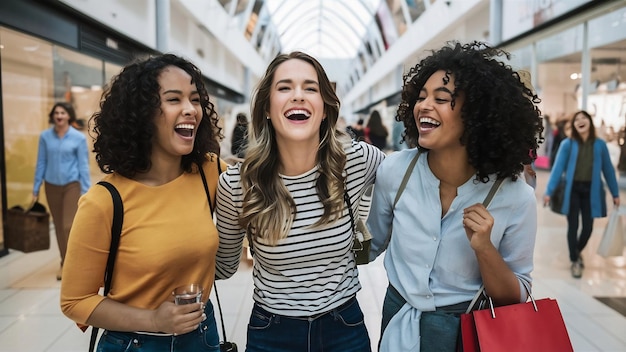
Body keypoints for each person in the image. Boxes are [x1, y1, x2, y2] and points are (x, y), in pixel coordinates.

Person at [366, 41, 543, 351]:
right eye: (421, 97)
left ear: (476, 113)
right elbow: (369, 247)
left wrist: (484, 249)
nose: (424, 106)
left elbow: (516, 295)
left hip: (467, 333)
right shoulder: (396, 171)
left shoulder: (515, 197)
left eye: (441, 98)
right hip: (398, 327)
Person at [215, 51, 385, 352]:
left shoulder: (356, 162)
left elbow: (416, 173)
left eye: (310, 88)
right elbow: (224, 267)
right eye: (284, 87)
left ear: (324, 108)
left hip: (344, 329)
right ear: (267, 107)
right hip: (271, 334)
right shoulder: (238, 183)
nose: (298, 96)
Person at [60, 53, 226, 351]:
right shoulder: (104, 201)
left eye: (196, 99)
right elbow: (75, 301)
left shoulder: (210, 171)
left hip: (202, 336)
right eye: (174, 100)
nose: (190, 110)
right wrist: (154, 321)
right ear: (142, 113)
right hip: (134, 343)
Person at [544, 110, 620, 279]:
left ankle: (576, 251)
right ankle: (575, 260)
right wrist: (548, 191)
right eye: (576, 119)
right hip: (573, 191)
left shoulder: (600, 145)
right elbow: (557, 169)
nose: (580, 121)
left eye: (583, 118)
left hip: (591, 191)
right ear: (574, 125)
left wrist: (615, 193)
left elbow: (608, 170)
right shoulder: (567, 144)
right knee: (573, 226)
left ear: (589, 122)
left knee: (588, 227)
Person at [33, 102, 91, 280]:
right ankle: (64, 262)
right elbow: (41, 161)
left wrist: (87, 190)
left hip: (71, 185)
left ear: (68, 116)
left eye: (63, 112)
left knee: (68, 225)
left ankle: (75, 262)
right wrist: (36, 187)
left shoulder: (78, 138)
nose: (59, 115)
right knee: (58, 226)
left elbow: (83, 165)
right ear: (53, 116)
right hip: (51, 185)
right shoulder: (45, 137)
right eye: (56, 112)